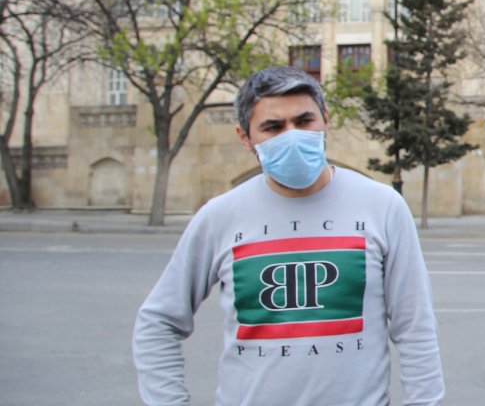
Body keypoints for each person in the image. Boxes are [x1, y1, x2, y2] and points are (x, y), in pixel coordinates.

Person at [133, 66, 444, 406]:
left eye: (304, 121)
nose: (292, 135)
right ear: (244, 137)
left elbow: (415, 327)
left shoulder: (382, 206)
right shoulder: (220, 216)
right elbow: (158, 322)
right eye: (273, 127)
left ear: (325, 120)